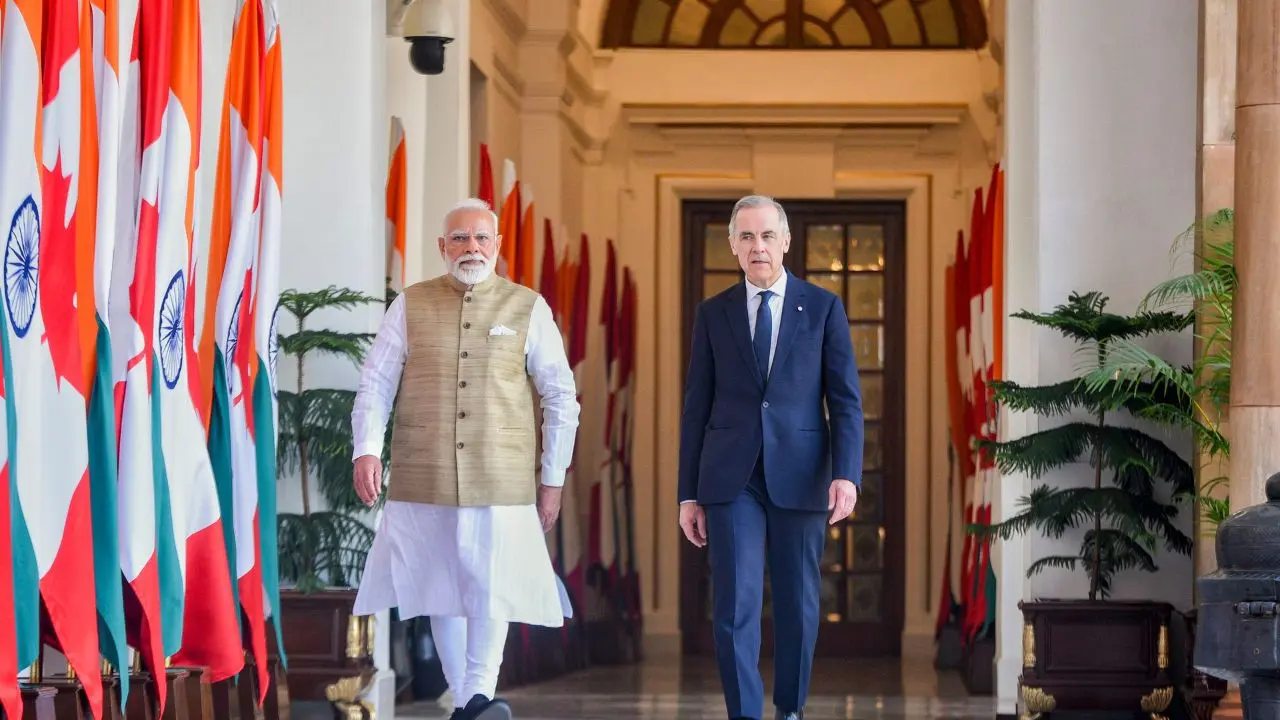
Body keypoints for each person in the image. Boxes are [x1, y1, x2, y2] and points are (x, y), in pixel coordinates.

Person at [350, 197, 579, 720]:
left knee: (489, 584)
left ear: (497, 246)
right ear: (442, 247)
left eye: (481, 238)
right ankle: (470, 700)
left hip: (502, 474)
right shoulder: (409, 303)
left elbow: (561, 396)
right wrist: (366, 449)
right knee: (438, 584)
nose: (471, 247)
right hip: (421, 469)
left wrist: (552, 478)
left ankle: (474, 694)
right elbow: (376, 385)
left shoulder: (528, 306)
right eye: (460, 238)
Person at [678, 195, 864, 720]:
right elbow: (696, 406)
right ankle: (745, 714)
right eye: (746, 237)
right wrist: (688, 492)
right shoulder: (712, 314)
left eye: (766, 236)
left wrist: (846, 474)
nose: (757, 247)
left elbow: (846, 400)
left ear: (785, 242)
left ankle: (789, 709)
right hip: (731, 480)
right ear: (733, 246)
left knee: (798, 604)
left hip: (802, 474)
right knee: (734, 606)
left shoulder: (823, 307)